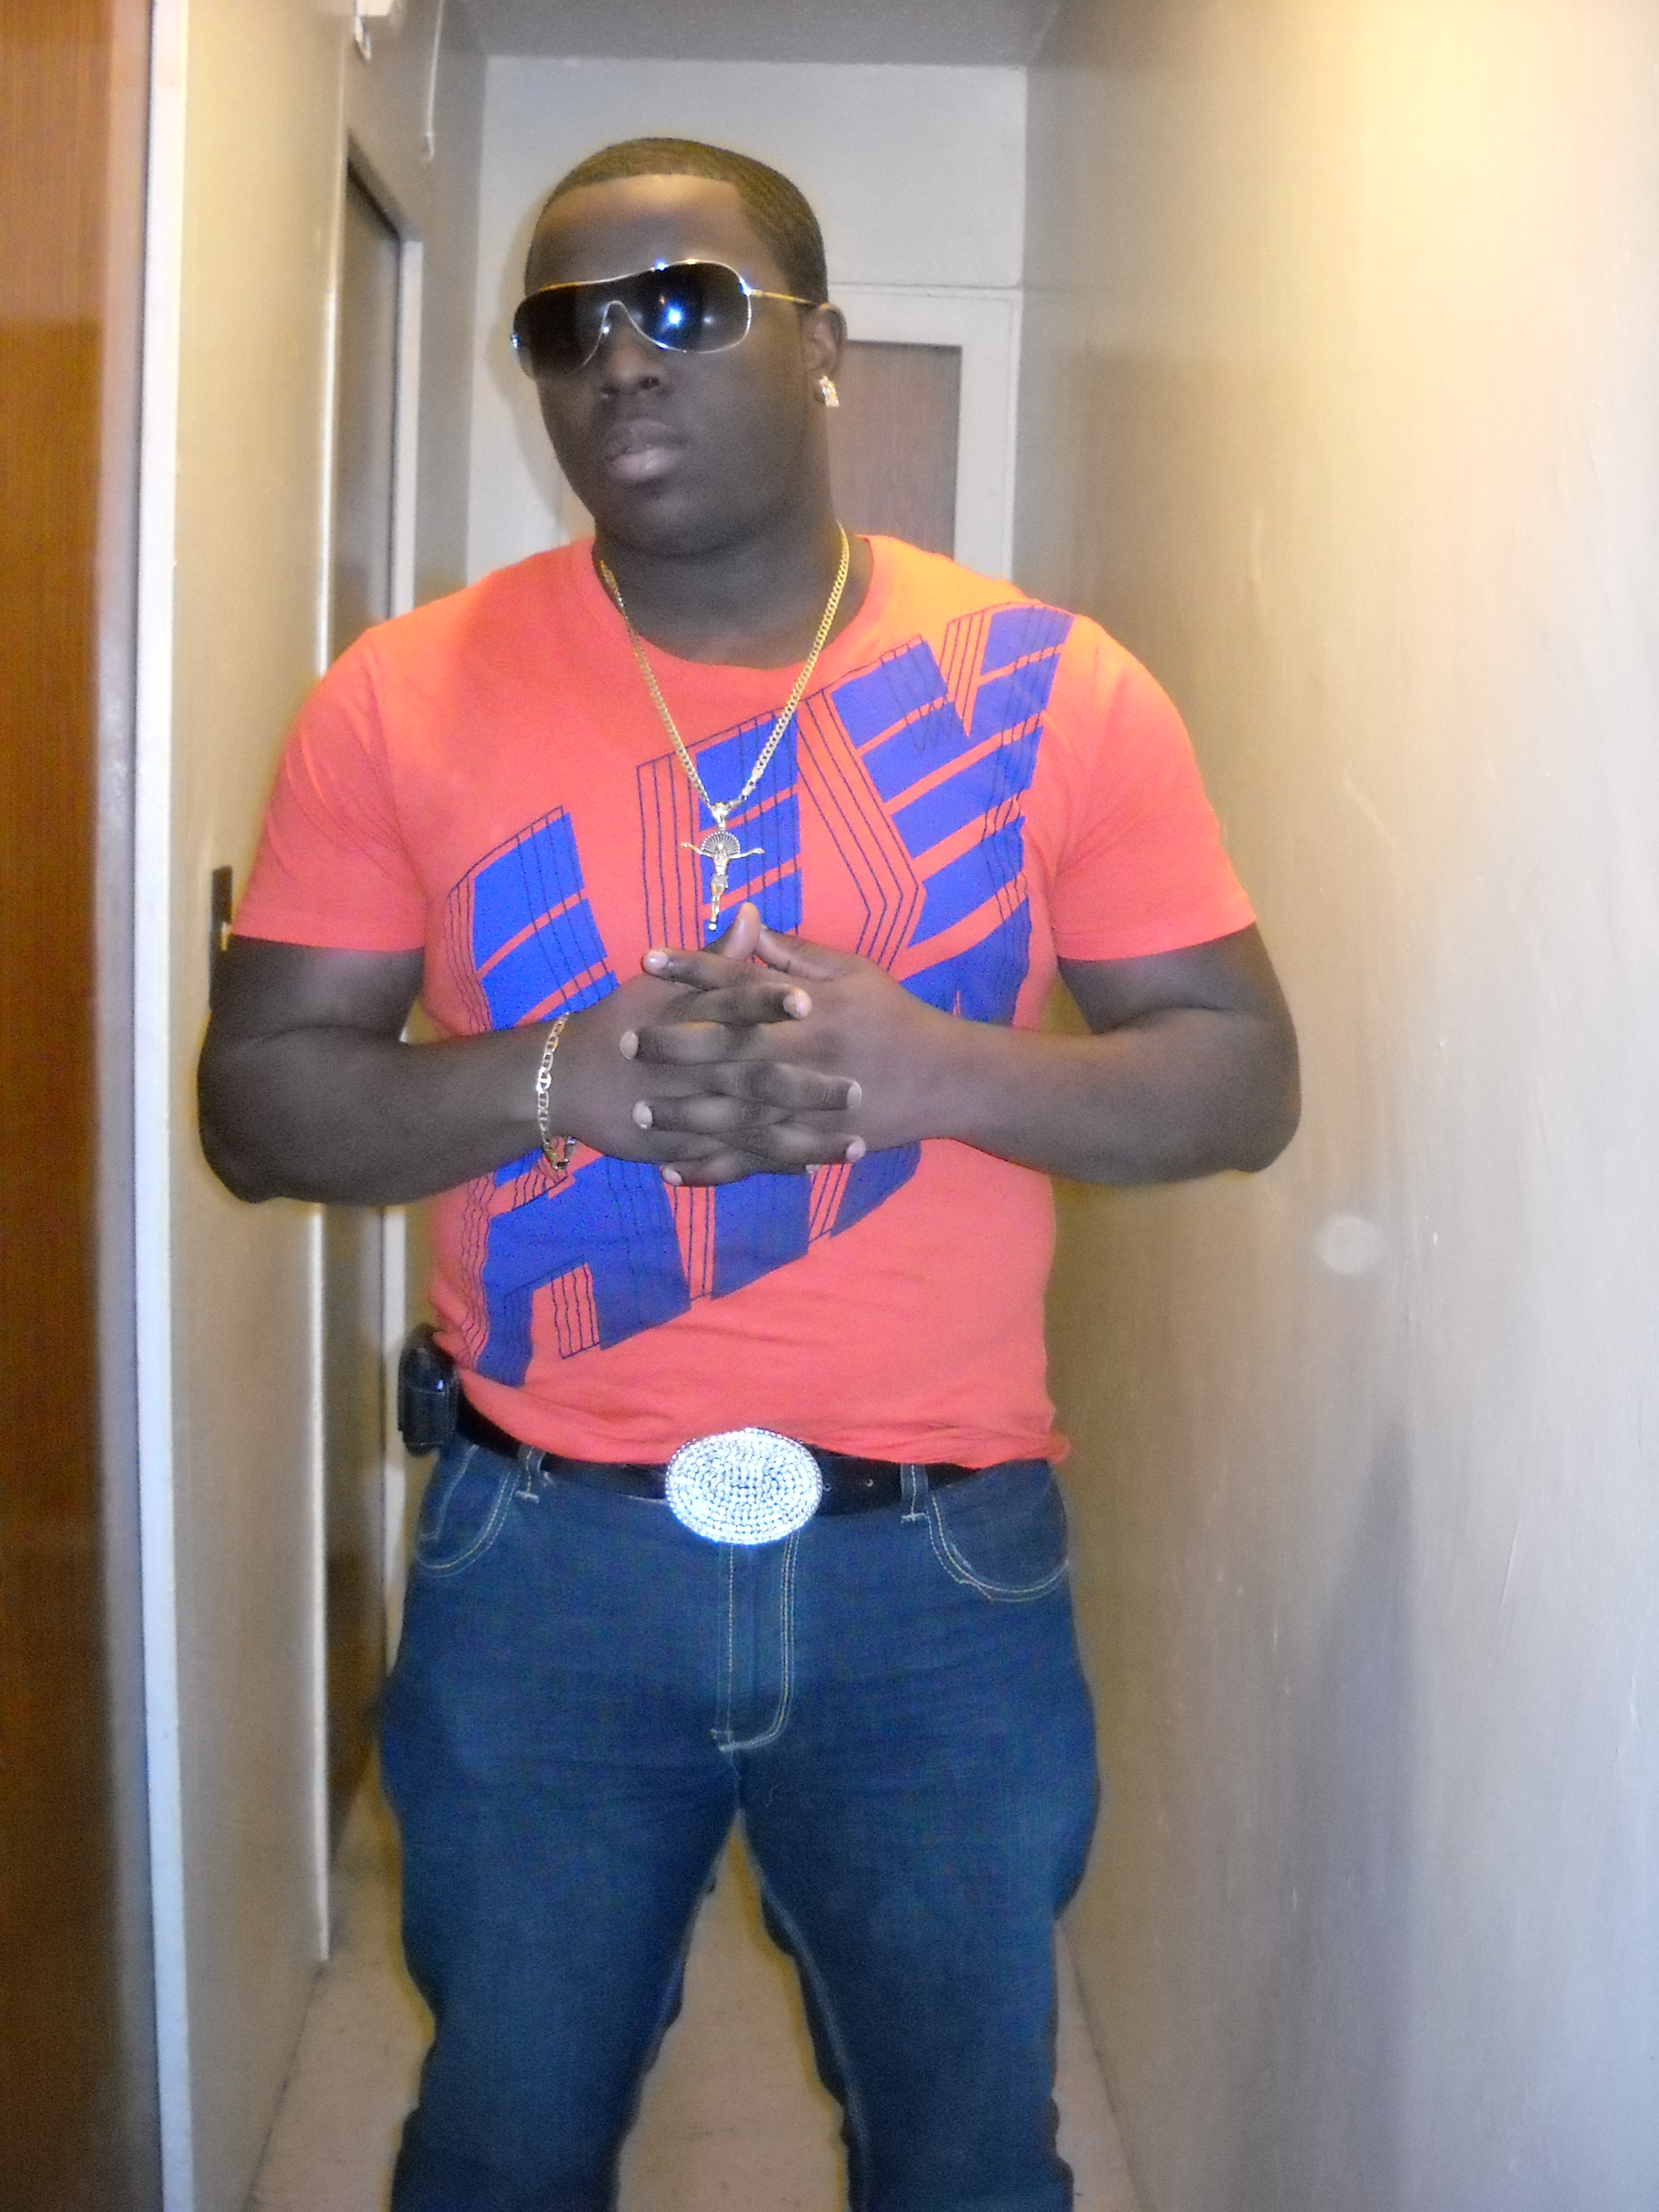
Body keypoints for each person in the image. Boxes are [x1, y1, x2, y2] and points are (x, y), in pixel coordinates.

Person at [199, 136, 1298, 2212]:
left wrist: (934, 1071)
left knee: (966, 2162)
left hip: (939, 1574)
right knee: (504, 2146)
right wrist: (556, 1083)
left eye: (685, 303)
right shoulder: (397, 700)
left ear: (825, 347)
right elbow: (259, 1110)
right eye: (566, 326)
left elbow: (1242, 1079)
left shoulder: (1055, 692)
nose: (620, 358)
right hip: (544, 1559)